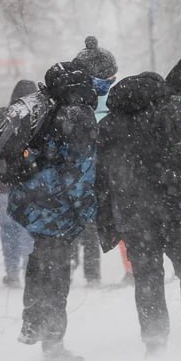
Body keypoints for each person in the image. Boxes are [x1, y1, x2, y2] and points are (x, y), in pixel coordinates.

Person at [95, 73, 181, 356]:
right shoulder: (174, 110)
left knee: (147, 275)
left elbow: (99, 178)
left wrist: (106, 218)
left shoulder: (109, 125)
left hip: (134, 214)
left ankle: (154, 339)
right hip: (179, 207)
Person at [10, 62, 98, 361]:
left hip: (35, 201)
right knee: (57, 278)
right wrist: (88, 212)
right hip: (58, 208)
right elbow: (80, 174)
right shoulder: (78, 116)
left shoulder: (47, 109)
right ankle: (53, 345)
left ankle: (32, 321)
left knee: (40, 265)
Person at [70, 35, 125, 286]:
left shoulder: (70, 102)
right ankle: (129, 266)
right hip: (110, 169)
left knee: (80, 221)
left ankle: (74, 267)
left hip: (79, 173)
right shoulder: (115, 101)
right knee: (123, 215)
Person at [0, 79, 38, 287]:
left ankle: (12, 271)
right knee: (28, 226)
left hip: (2, 183)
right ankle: (29, 267)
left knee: (7, 228)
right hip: (31, 182)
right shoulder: (38, 117)